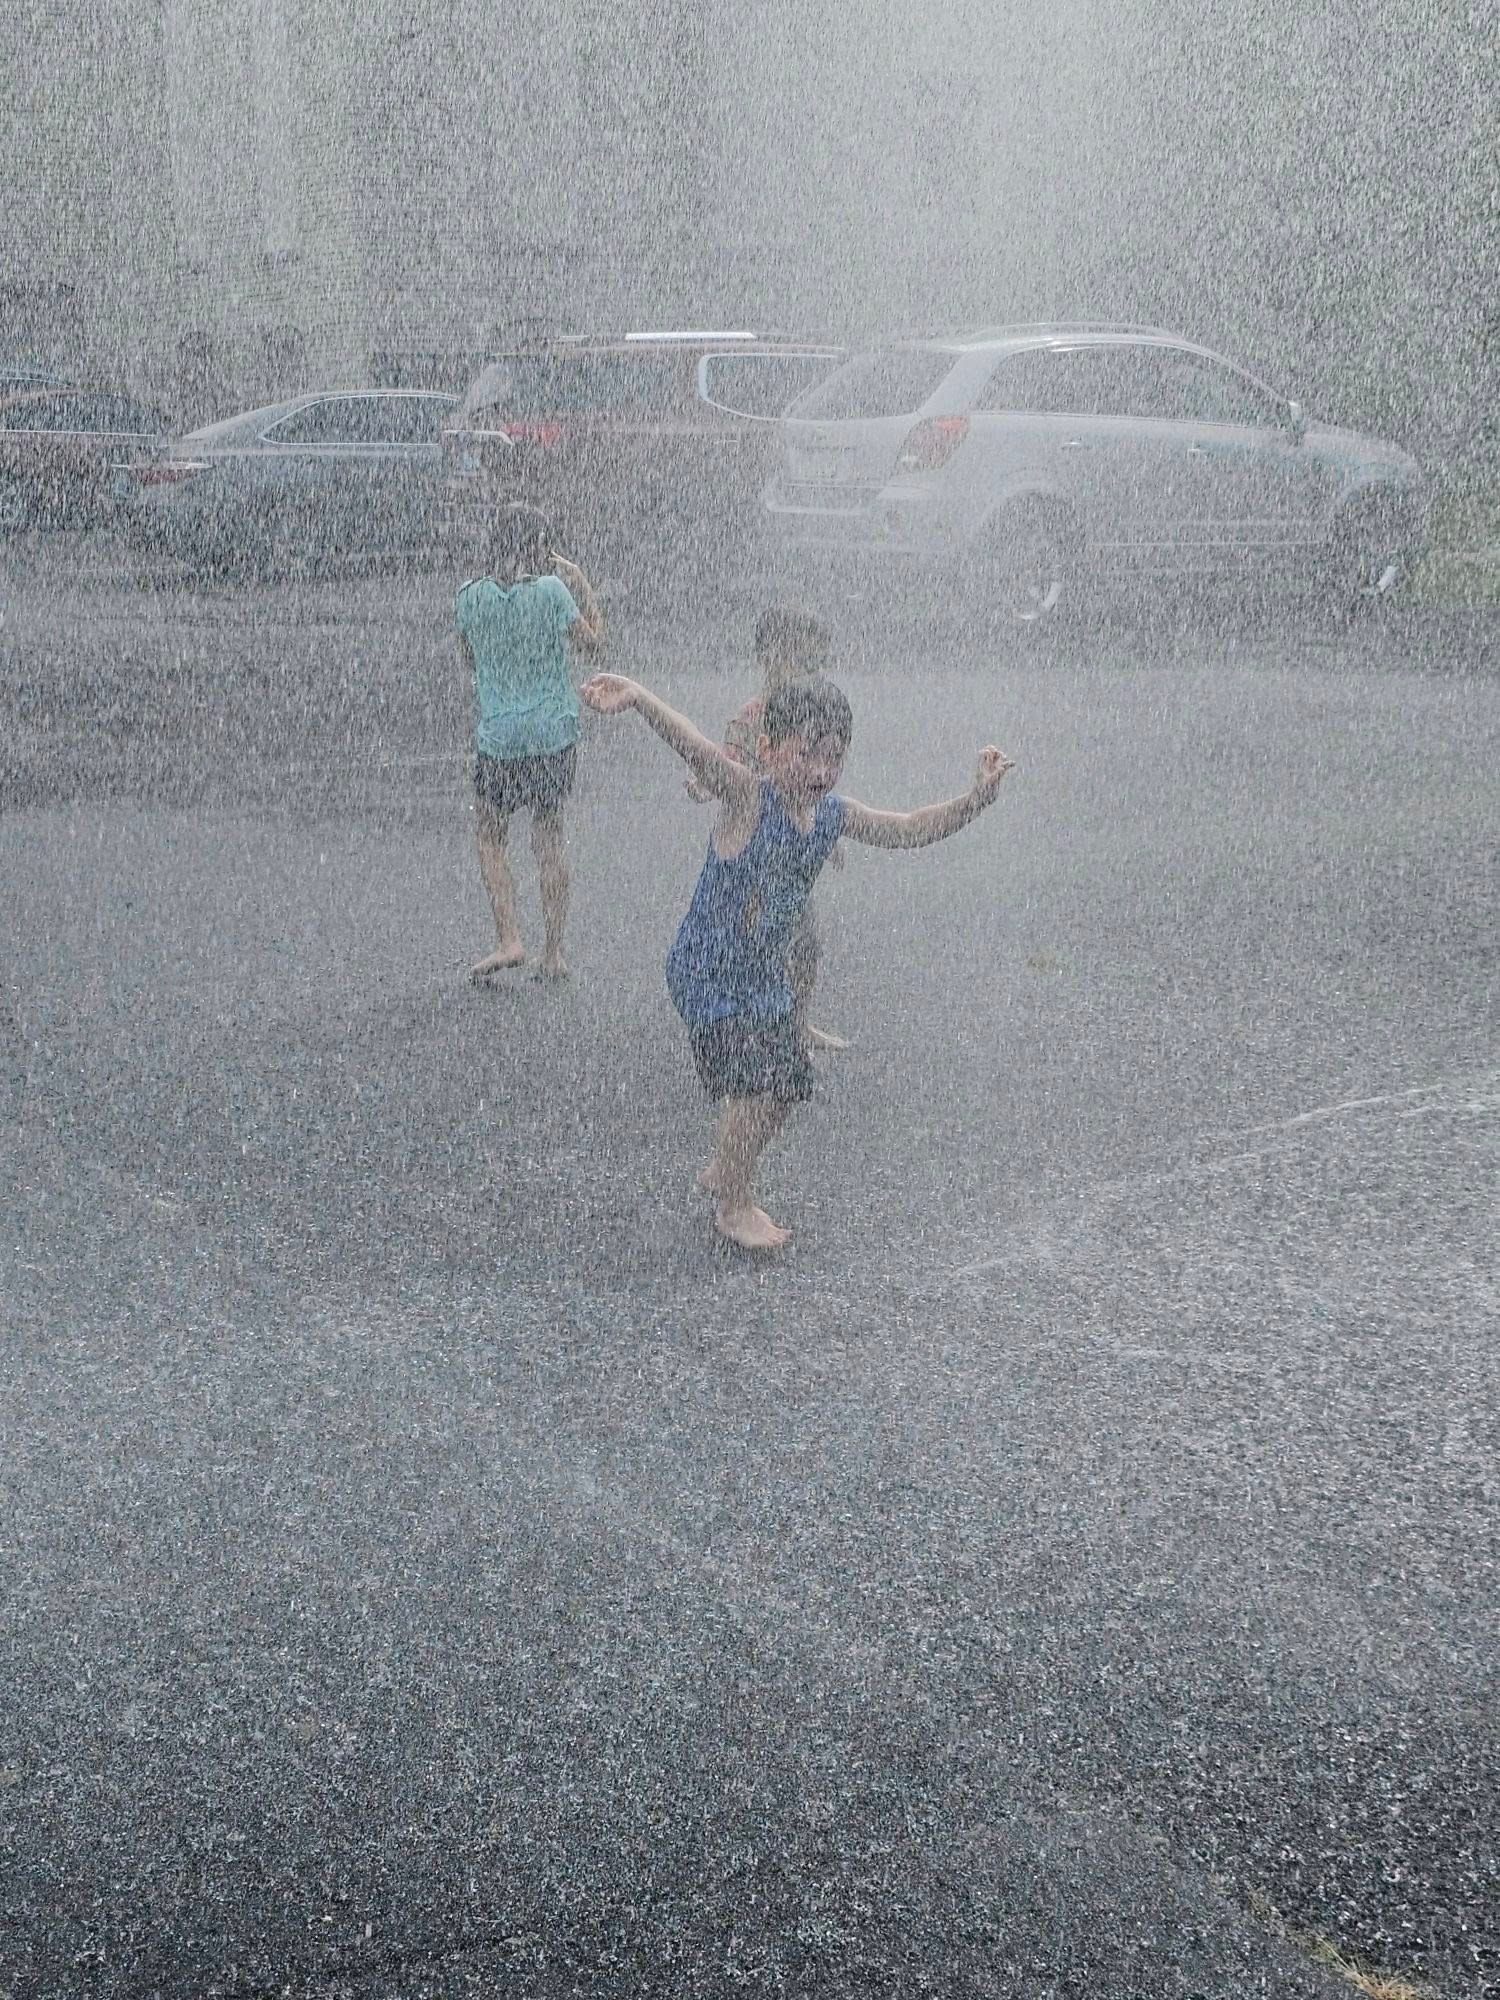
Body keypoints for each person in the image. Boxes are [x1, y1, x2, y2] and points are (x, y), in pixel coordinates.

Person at [580, 670, 1015, 1251]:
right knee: (752, 1087)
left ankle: (724, 1166)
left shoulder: (832, 816)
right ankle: (733, 1206)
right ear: (767, 748)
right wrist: (638, 699)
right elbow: (694, 745)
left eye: (833, 757)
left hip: (763, 978)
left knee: (787, 1086)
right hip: (709, 974)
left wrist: (976, 800)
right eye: (806, 753)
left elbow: (909, 829)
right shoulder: (747, 799)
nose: (819, 770)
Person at [689, 606, 849, 1052]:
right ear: (769, 656)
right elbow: (728, 762)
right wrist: (704, 784)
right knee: (753, 942)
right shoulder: (753, 715)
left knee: (806, 944)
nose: (805, 670)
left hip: (794, 849)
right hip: (754, 852)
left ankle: (795, 1020)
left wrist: (828, 833)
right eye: (798, 659)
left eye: (812, 662)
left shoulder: (812, 714)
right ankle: (741, 1018)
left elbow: (821, 777)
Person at [456, 504, 604, 980]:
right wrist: (580, 579)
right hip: (552, 733)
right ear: (540, 548)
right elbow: (595, 644)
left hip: (499, 737)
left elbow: (471, 662)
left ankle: (509, 938)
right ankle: (554, 951)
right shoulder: (553, 591)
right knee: (548, 838)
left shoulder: (468, 597)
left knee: (491, 836)